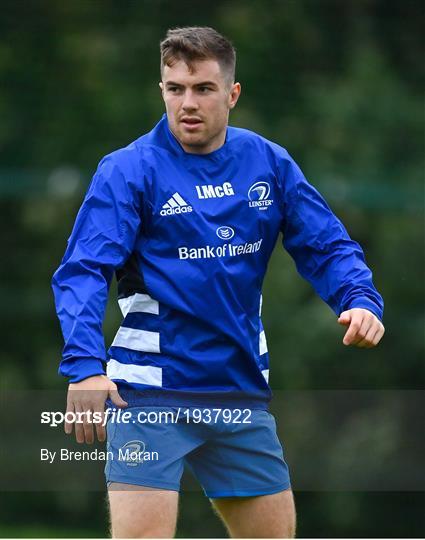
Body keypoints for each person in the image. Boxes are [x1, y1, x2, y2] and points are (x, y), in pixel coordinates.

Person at [51, 26, 385, 538]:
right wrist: (84, 366)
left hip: (239, 390)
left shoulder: (268, 163)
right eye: (175, 88)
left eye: (203, 89)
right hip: (148, 395)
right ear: (161, 89)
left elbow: (326, 244)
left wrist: (359, 297)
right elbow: (83, 272)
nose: (188, 102)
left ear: (231, 94)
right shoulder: (127, 170)